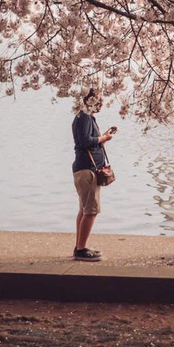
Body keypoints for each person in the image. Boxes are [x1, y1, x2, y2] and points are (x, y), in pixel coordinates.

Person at [71, 88, 116, 261]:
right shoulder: (84, 117)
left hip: (85, 169)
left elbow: (88, 140)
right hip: (87, 170)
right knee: (91, 211)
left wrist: (103, 136)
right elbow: (84, 141)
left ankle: (79, 246)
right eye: (98, 101)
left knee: (84, 209)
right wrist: (103, 138)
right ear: (90, 101)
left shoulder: (85, 117)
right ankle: (81, 249)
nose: (101, 104)